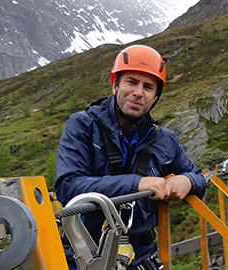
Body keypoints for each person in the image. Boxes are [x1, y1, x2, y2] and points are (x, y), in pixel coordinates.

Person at [55, 44, 206, 270]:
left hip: (140, 256)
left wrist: (188, 181)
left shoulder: (165, 140)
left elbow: (198, 176)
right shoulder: (83, 126)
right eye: (131, 82)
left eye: (148, 87)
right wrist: (136, 184)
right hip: (85, 255)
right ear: (115, 85)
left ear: (155, 97)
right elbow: (68, 186)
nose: (138, 92)